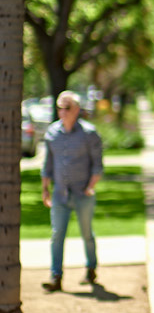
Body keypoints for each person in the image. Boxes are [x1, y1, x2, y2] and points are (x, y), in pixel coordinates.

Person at [41, 91, 103, 292]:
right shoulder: (52, 133)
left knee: (87, 234)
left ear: (77, 110)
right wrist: (45, 189)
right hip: (60, 194)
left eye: (67, 108)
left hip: (82, 194)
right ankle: (55, 276)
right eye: (59, 107)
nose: (62, 112)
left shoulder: (89, 133)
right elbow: (47, 164)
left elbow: (97, 165)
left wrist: (90, 187)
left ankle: (91, 268)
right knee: (57, 234)